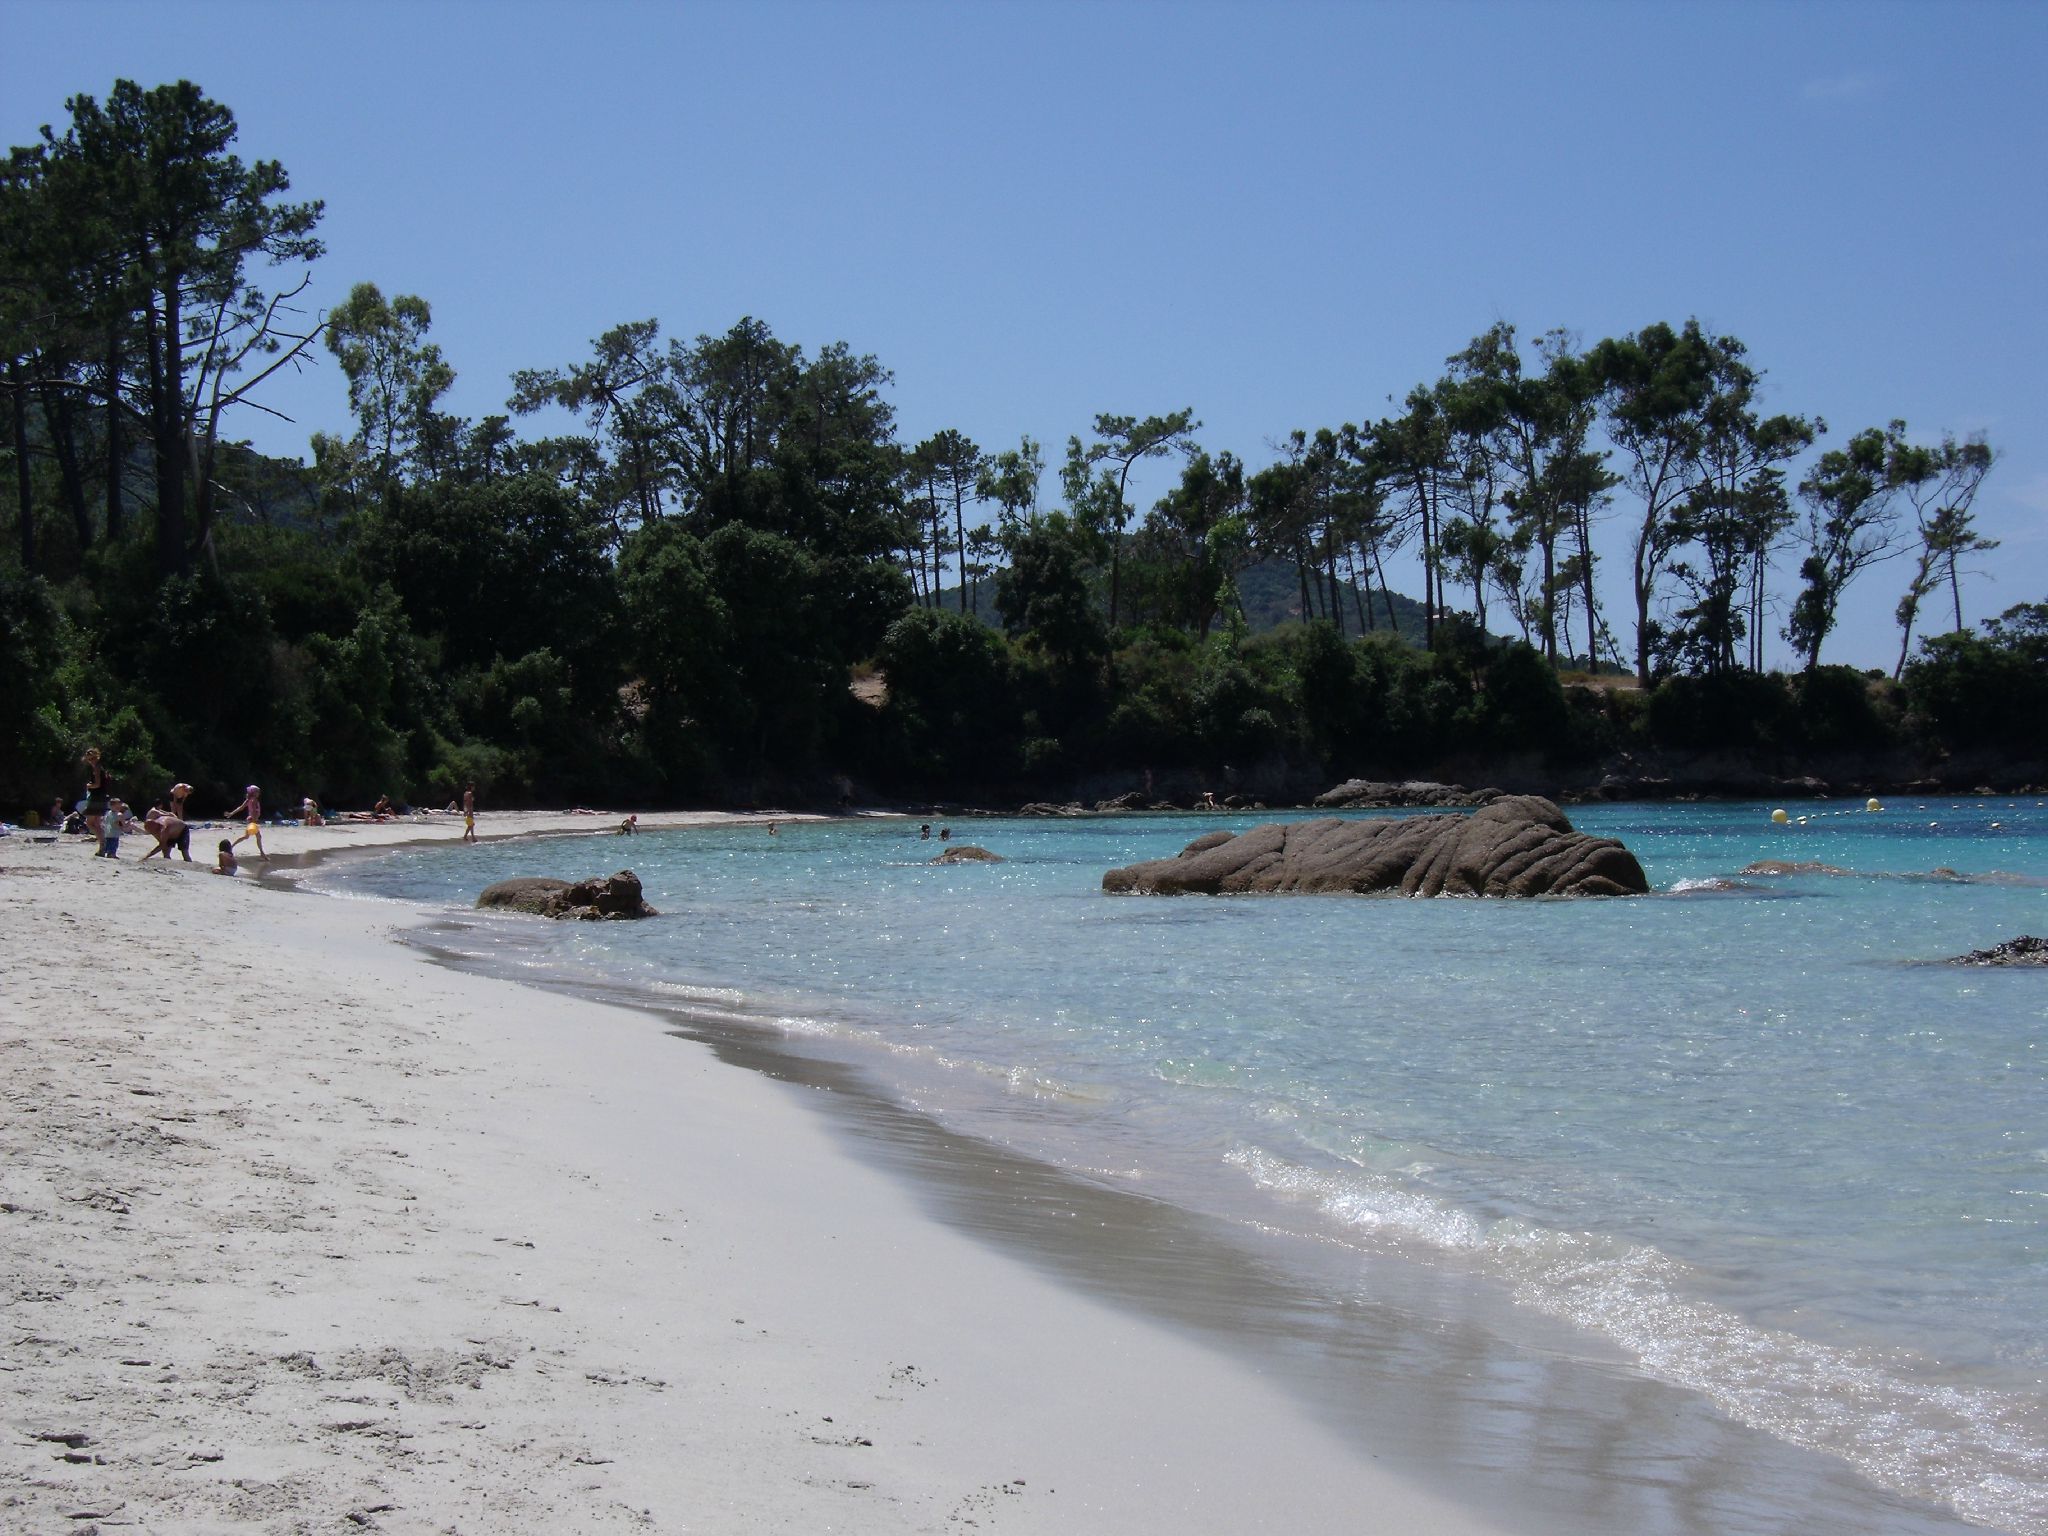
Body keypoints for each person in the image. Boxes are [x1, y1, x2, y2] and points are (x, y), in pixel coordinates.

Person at [224, 784, 267, 860]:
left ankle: (231, 847)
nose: (259, 793)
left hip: (251, 820)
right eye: (258, 792)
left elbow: (240, 808)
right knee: (257, 837)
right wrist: (254, 821)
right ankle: (262, 853)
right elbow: (253, 811)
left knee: (247, 837)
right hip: (252, 821)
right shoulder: (254, 800)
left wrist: (231, 813)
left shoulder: (249, 800)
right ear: (254, 792)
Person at [81, 748, 111, 844]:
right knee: (97, 824)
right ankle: (103, 843)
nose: (91, 761)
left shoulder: (97, 769)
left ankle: (103, 842)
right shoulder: (101, 768)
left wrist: (88, 785)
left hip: (96, 797)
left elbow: (97, 784)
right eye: (89, 759)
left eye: (93, 758)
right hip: (102, 797)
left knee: (89, 823)